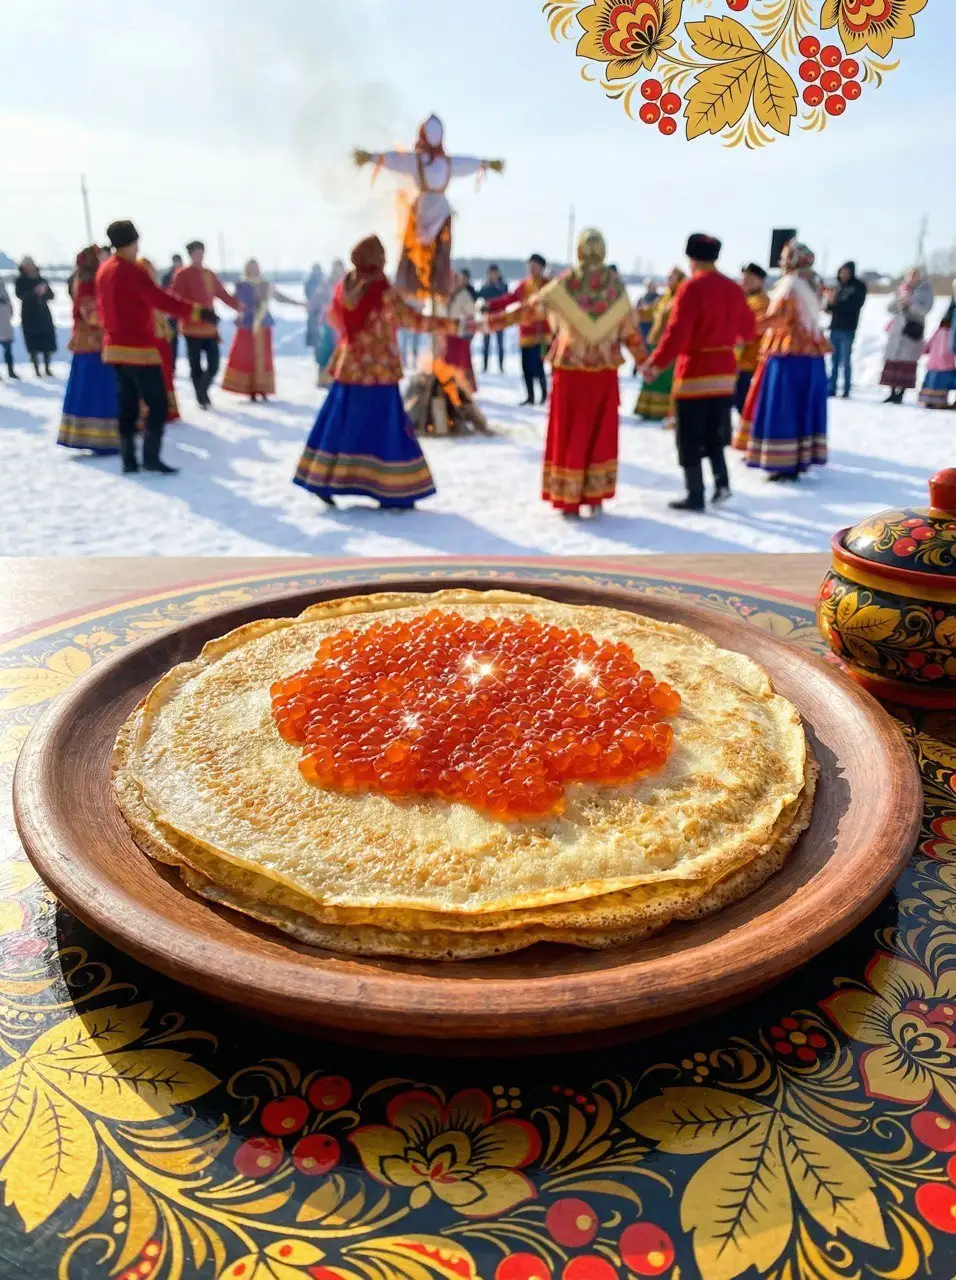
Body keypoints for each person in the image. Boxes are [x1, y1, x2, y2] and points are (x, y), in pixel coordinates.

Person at [486, 228, 647, 518]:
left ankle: (568, 497)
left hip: (571, 369)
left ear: (579, 251)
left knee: (570, 429)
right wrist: (645, 363)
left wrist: (490, 322)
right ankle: (594, 497)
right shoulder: (616, 288)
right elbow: (631, 332)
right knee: (600, 430)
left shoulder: (567, 283)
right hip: (604, 371)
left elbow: (528, 310)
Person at [293, 236, 457, 509]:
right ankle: (393, 489)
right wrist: (452, 325)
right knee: (385, 428)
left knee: (341, 424)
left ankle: (325, 480)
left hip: (351, 368)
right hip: (379, 370)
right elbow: (413, 320)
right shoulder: (382, 290)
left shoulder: (346, 285)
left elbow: (335, 318)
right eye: (381, 256)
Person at [642, 233, 755, 512]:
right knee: (714, 433)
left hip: (694, 374)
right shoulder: (733, 288)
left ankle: (695, 493)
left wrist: (655, 364)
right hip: (725, 374)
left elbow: (676, 333)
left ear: (691, 259)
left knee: (689, 436)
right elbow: (749, 331)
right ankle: (722, 483)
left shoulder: (691, 288)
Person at [96, 219, 210, 475]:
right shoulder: (131, 270)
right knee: (157, 405)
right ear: (130, 242)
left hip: (114, 349)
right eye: (136, 242)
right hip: (138, 349)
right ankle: (150, 457)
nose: (138, 247)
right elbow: (158, 298)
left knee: (127, 405)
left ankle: (128, 459)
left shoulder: (104, 270)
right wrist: (196, 311)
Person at [354, 115, 504, 298]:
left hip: (424, 211)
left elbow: (394, 160)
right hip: (439, 212)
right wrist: (487, 164)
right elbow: (468, 163)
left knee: (417, 256)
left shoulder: (419, 161)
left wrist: (371, 157)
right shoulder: (442, 162)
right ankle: (428, 290)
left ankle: (417, 290)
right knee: (438, 256)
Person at [742, 240, 830, 482]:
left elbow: (780, 318)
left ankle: (782, 463)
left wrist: (749, 325)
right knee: (803, 405)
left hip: (789, 354)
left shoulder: (790, 284)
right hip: (811, 353)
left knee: (784, 406)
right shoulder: (814, 282)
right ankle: (800, 458)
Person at [57, 245, 119, 454]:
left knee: (104, 390)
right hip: (90, 346)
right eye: (102, 255)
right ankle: (98, 440)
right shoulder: (85, 282)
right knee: (96, 392)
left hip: (99, 344)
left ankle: (109, 436)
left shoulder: (97, 280)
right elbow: (91, 315)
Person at [171, 240, 241, 409]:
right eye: (196, 253)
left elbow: (222, 294)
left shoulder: (210, 274)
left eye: (201, 252)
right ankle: (201, 396)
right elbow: (176, 300)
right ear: (191, 255)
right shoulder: (182, 275)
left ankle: (202, 390)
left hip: (210, 328)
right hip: (191, 328)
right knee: (195, 364)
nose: (199, 256)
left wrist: (239, 307)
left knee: (214, 364)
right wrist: (189, 316)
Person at [222, 259, 304, 401]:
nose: (254, 270)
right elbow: (233, 301)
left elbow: (280, 297)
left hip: (263, 325)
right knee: (247, 356)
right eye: (251, 268)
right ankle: (250, 389)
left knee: (263, 357)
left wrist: (298, 303)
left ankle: (263, 388)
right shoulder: (242, 285)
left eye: (256, 267)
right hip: (247, 326)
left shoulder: (266, 285)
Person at [485, 254, 550, 404]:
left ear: (542, 268)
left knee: (538, 366)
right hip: (526, 333)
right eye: (530, 266)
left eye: (535, 266)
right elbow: (509, 299)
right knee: (526, 366)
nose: (532, 269)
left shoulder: (548, 285)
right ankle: (530, 396)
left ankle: (544, 395)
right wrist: (490, 305)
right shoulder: (523, 285)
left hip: (542, 334)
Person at [634, 266, 685, 422]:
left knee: (662, 378)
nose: (667, 280)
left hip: (668, 345)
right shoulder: (664, 298)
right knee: (651, 377)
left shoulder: (680, 299)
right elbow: (650, 312)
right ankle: (647, 409)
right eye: (668, 277)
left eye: (671, 278)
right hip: (655, 342)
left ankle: (662, 411)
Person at [880, 267, 935, 404]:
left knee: (907, 362)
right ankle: (892, 392)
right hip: (898, 330)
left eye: (915, 274)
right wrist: (900, 302)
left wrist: (911, 304)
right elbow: (890, 308)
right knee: (894, 361)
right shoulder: (902, 288)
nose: (912, 277)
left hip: (913, 330)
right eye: (910, 274)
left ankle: (901, 393)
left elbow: (926, 309)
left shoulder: (925, 291)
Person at [138, 258, 181, 430]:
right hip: (147, 340)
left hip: (162, 338)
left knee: (166, 373)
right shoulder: (137, 291)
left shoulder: (156, 290)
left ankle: (166, 409)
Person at [733, 263, 770, 426]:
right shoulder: (748, 299)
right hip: (741, 360)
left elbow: (752, 330)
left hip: (751, 361)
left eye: (749, 279)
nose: (744, 282)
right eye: (743, 278)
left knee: (746, 402)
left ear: (760, 281)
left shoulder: (761, 302)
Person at [825, 261, 867, 398]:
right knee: (833, 361)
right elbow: (830, 308)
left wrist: (836, 305)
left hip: (848, 328)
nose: (843, 274)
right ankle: (832, 387)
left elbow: (853, 307)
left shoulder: (858, 287)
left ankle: (846, 388)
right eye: (841, 272)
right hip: (835, 327)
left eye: (846, 272)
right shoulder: (837, 287)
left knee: (845, 361)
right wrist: (829, 303)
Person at [14, 258, 56, 376]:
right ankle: (36, 369)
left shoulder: (41, 279)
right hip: (29, 316)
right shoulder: (20, 281)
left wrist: (45, 292)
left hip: (44, 315)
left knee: (47, 343)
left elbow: (51, 295)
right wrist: (34, 292)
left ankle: (47, 368)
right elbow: (20, 295)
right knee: (33, 345)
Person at [444, 272, 477, 392]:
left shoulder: (464, 294)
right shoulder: (446, 295)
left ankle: (463, 387)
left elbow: (471, 313)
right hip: (447, 333)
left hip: (460, 333)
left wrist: (467, 327)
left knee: (461, 362)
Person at [312, 259, 344, 385]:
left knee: (340, 348)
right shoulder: (327, 283)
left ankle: (338, 378)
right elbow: (318, 298)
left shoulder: (347, 282)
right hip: (328, 320)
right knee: (325, 348)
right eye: (336, 267)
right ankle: (323, 378)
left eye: (340, 267)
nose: (338, 270)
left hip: (342, 321)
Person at [918, 304, 956, 409]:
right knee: (943, 384)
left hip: (933, 365)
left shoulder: (938, 331)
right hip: (946, 366)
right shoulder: (952, 334)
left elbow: (927, 347)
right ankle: (939, 403)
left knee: (932, 384)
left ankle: (929, 401)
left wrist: (921, 349)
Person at [477, 265, 509, 372]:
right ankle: (485, 366)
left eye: (495, 273)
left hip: (500, 318)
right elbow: (479, 300)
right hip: (487, 319)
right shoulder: (485, 287)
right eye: (491, 273)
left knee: (500, 344)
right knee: (486, 344)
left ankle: (501, 367)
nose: (493, 275)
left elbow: (507, 299)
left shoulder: (503, 286)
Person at [160, 253, 184, 369]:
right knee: (172, 339)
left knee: (177, 339)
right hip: (172, 313)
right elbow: (164, 293)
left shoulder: (185, 274)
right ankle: (172, 364)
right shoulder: (167, 276)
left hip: (183, 311)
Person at [635, 278, 660, 346]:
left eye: (652, 285)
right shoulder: (642, 299)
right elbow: (636, 311)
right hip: (644, 327)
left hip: (655, 325)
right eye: (649, 286)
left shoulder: (659, 298)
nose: (651, 287)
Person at [0, 277, 16, 381]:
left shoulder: (1, 283)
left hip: (4, 320)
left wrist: (10, 311)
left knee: (8, 348)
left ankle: (11, 371)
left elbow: (8, 300)